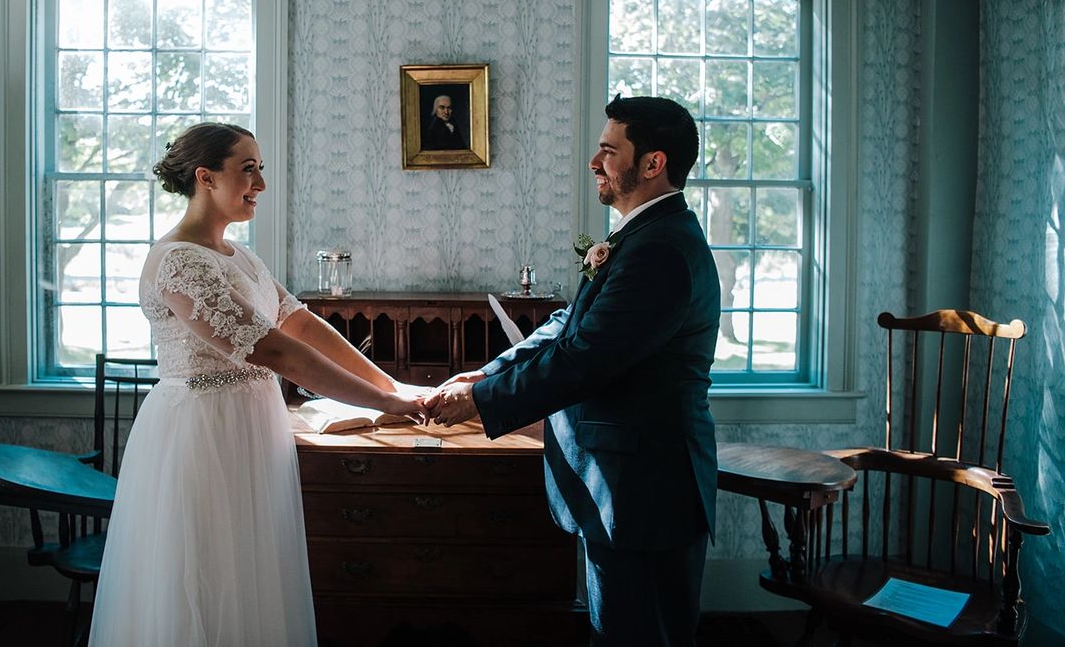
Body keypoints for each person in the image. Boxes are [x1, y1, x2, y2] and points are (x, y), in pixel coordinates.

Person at [88, 123, 426, 647]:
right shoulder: (178, 260)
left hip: (250, 423)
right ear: (205, 177)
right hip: (201, 432)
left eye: (260, 168)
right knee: (204, 571)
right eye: (248, 169)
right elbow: (273, 349)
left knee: (251, 568)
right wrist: (383, 402)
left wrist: (397, 388)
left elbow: (301, 324)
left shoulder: (238, 255)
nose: (260, 183)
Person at [426, 95, 719, 647]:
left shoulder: (660, 251)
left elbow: (585, 360)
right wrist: (484, 376)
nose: (594, 162)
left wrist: (484, 402)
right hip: (623, 488)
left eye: (609, 151)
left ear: (653, 163)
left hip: (642, 494)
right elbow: (568, 325)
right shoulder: (641, 238)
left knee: (637, 637)